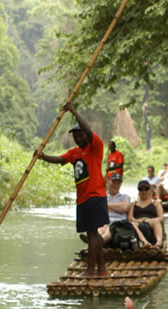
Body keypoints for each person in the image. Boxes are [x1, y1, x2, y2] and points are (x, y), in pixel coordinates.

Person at [36, 102, 108, 277]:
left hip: (95, 195)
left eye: (81, 135)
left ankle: (91, 271)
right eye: (76, 136)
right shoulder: (74, 153)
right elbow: (60, 160)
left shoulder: (95, 147)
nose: (79, 138)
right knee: (93, 234)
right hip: (82, 199)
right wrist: (42, 157)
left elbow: (89, 132)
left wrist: (74, 111)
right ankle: (103, 269)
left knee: (92, 233)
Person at [128, 179, 164, 248]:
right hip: (138, 222)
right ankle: (145, 242)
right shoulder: (133, 203)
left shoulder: (155, 203)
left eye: (146, 189)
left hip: (152, 221)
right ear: (139, 191)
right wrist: (137, 220)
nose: (143, 191)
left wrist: (150, 220)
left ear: (149, 190)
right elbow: (130, 217)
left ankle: (159, 243)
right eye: (141, 189)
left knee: (157, 221)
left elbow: (161, 218)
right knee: (132, 224)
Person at [97, 173, 131, 245]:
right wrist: (118, 207)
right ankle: (94, 242)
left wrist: (106, 204)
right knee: (99, 229)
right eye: (114, 182)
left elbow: (125, 208)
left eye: (118, 183)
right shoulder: (102, 196)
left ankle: (98, 243)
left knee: (110, 229)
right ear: (109, 182)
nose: (115, 185)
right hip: (104, 223)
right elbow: (99, 208)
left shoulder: (125, 197)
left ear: (120, 184)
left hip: (118, 224)